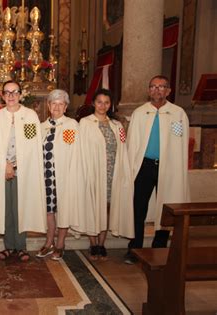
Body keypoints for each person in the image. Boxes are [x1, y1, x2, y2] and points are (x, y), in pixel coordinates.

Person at [125, 75, 190, 264]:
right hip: (144, 166)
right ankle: (135, 247)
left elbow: (179, 143)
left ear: (168, 91)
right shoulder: (140, 113)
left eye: (161, 87)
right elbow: (133, 142)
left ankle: (160, 246)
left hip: (167, 166)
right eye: (153, 87)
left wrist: (177, 167)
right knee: (138, 207)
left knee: (165, 206)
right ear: (148, 91)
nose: (157, 90)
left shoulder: (177, 114)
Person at [0, 80, 46, 262]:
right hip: (1, 170)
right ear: (2, 96)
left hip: (23, 171)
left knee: (21, 207)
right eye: (7, 92)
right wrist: (5, 164)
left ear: (20, 95)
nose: (11, 96)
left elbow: (31, 145)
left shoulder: (30, 116)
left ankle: (21, 246)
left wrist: (16, 165)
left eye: (15, 92)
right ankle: (9, 246)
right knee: (6, 207)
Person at [79, 88, 134, 261]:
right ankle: (92, 243)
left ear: (111, 105)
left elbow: (123, 148)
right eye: (99, 102)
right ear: (93, 103)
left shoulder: (117, 125)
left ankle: (102, 243)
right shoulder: (85, 123)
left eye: (106, 102)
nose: (102, 105)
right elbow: (81, 150)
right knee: (93, 206)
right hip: (93, 171)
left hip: (112, 172)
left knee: (107, 208)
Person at [36, 89, 85, 260]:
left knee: (63, 208)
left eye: (61, 104)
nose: (57, 107)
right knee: (49, 209)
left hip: (64, 175)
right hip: (46, 175)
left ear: (65, 107)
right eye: (53, 103)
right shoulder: (41, 127)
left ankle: (60, 243)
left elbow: (73, 150)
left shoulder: (71, 125)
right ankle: (49, 241)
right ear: (48, 106)